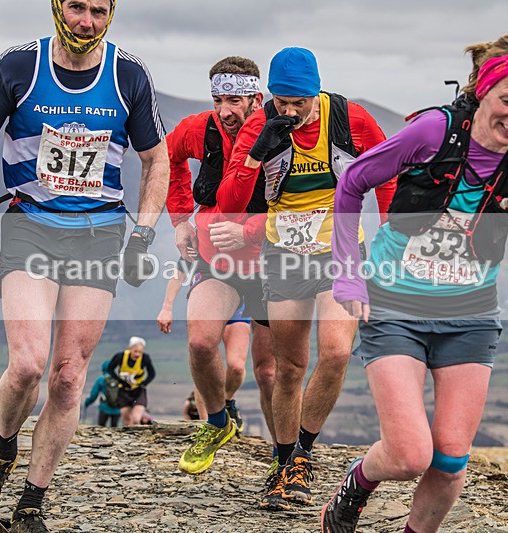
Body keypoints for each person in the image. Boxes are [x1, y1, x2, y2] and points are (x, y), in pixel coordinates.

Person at [0, 1, 168, 531]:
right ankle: (0, 455)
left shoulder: (128, 74)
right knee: (27, 364)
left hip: (99, 234)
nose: (86, 21)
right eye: (76, 7)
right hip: (32, 225)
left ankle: (31, 501)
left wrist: (143, 233)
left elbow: (155, 158)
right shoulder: (20, 66)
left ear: (110, 14)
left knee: (68, 379)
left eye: (98, 10)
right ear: (56, 8)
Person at [321, 34, 508, 533]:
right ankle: (357, 485)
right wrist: (348, 272)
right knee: (409, 455)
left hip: (470, 316)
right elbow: (353, 182)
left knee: (450, 460)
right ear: (483, 90)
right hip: (394, 306)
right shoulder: (433, 132)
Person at [217, 47, 393, 510]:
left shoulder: (351, 119)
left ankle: (302, 454)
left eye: (300, 102)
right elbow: (230, 202)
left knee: (335, 353)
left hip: (340, 251)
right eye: (282, 102)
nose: (291, 112)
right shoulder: (260, 124)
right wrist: (257, 153)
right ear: (270, 96)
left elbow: (389, 174)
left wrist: (392, 232)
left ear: (316, 91)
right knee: (290, 367)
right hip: (285, 256)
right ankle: (284, 463)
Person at [164, 56, 278, 476]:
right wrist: (180, 220)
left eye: (234, 101)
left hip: (270, 264)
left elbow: (306, 202)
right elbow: (167, 158)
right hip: (217, 261)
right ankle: (216, 422)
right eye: (218, 100)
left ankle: (284, 456)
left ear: (256, 99)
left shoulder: (278, 132)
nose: (225, 111)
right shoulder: (199, 129)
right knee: (200, 343)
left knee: (268, 371)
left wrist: (251, 231)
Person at [157, 258, 250, 433]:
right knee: (204, 361)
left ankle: (227, 401)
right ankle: (208, 424)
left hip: (238, 305)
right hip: (207, 299)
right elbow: (179, 273)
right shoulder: (197, 243)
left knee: (237, 367)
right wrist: (167, 307)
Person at [106, 336, 157, 426]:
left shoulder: (145, 358)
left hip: (138, 390)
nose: (137, 354)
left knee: (136, 419)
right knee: (127, 420)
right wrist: (120, 381)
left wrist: (144, 384)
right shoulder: (120, 357)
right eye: (135, 351)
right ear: (130, 349)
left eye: (140, 352)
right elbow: (110, 369)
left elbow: (152, 374)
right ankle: (128, 434)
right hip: (123, 391)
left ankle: (138, 433)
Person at [83, 362, 122, 427]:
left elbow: (94, 394)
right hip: (117, 409)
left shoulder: (101, 379)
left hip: (104, 407)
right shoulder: (118, 379)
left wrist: (87, 402)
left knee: (101, 427)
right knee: (115, 428)